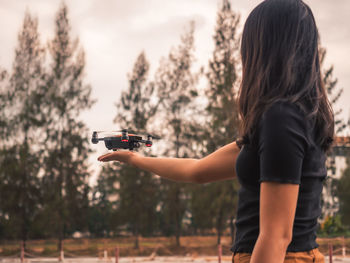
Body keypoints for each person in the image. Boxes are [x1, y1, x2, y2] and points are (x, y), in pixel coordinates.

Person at [98, 0, 334, 262]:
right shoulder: (286, 120)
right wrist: (136, 159)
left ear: (265, 48)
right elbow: (197, 171)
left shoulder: (282, 119)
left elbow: (277, 235)